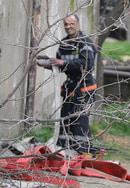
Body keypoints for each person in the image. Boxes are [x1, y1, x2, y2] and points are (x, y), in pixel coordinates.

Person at [38, 14, 97, 153]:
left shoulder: (85, 43)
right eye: (66, 24)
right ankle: (63, 151)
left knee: (79, 121)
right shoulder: (63, 44)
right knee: (65, 121)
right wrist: (46, 63)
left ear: (77, 24)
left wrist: (64, 62)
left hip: (85, 89)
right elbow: (60, 65)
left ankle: (81, 152)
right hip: (70, 89)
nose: (68, 27)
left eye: (71, 24)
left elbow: (87, 64)